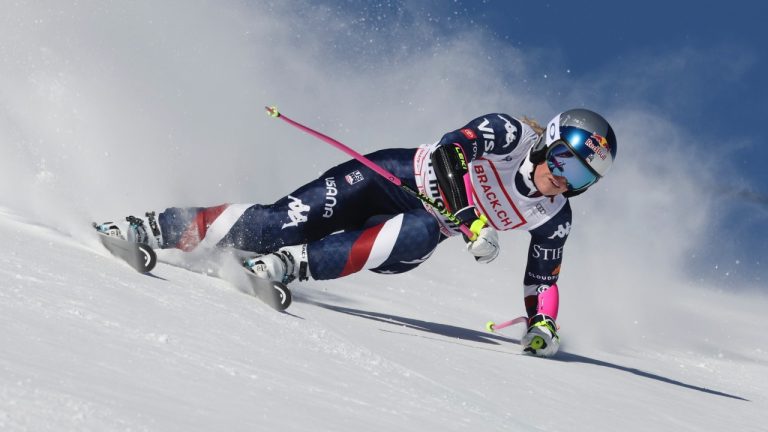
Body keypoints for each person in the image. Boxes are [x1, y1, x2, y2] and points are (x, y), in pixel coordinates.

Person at [97, 108, 617, 357]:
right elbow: (448, 153)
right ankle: (151, 228)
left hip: (421, 223)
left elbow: (543, 277)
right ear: (549, 142)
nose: (563, 179)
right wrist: (473, 220)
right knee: (275, 224)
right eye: (565, 162)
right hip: (387, 178)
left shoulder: (554, 214)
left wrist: (542, 326)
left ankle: (287, 266)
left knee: (419, 234)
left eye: (581, 178)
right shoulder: (510, 133)